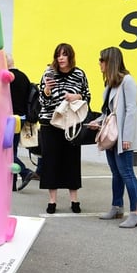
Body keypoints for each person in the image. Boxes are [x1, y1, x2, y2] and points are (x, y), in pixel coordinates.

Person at [92, 47, 137, 228]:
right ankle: (117, 207)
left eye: (102, 59)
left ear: (111, 61)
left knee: (127, 173)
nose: (99, 63)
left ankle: (136, 212)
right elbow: (108, 112)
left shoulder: (128, 81)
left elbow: (131, 110)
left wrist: (127, 138)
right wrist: (97, 122)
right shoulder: (110, 83)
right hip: (112, 135)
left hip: (122, 136)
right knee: (116, 173)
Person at [37, 43, 90, 214]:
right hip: (50, 124)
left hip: (71, 123)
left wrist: (77, 96)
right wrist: (46, 90)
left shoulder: (79, 74)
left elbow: (88, 97)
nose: (61, 57)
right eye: (58, 54)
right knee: (51, 162)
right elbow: (42, 102)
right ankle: (52, 201)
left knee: (72, 161)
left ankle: (74, 200)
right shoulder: (48, 73)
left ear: (70, 56)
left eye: (64, 54)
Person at [6, 53, 35, 191]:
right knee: (13, 150)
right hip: (21, 118)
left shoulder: (7, 79)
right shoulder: (23, 76)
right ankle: (12, 183)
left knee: (7, 153)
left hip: (9, 119)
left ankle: (24, 171)